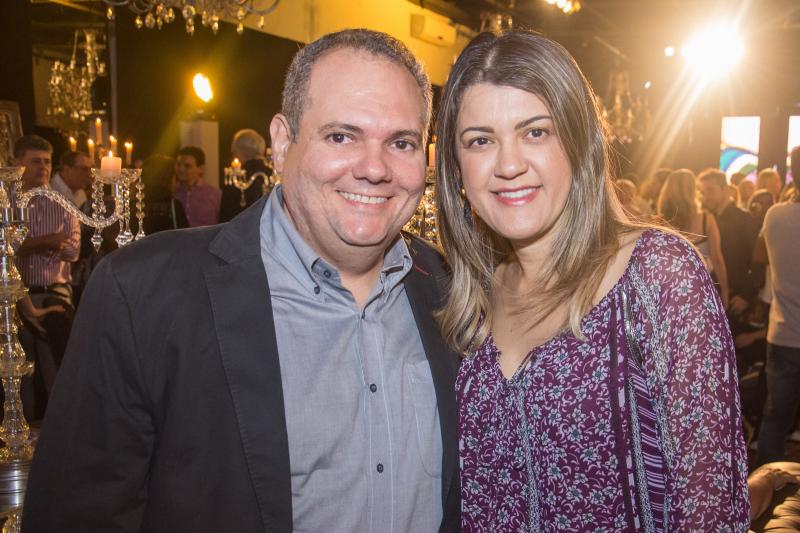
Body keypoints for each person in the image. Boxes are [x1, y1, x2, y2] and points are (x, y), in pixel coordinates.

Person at [22, 29, 460, 532]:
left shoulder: (453, 291)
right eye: (341, 136)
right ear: (282, 142)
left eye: (401, 143)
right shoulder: (143, 294)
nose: (375, 169)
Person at [434, 30, 749, 530]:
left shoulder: (658, 275)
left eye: (535, 132)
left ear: (579, 141)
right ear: (456, 168)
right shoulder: (469, 299)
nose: (509, 164)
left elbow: (711, 509)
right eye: (480, 141)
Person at [12, 135, 80, 418]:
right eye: (35, 161)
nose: (43, 167)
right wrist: (49, 241)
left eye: (47, 162)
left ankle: (60, 424)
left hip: (54, 291)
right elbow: (7, 249)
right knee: (20, 363)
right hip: (17, 294)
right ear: (18, 164)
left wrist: (28, 244)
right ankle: (24, 422)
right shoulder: (8, 205)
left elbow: (73, 250)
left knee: (56, 359)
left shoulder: (62, 203)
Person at [757, 149, 800, 465]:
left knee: (774, 417)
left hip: (783, 333)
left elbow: (760, 257)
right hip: (784, 335)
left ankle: (766, 481)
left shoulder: (775, 215)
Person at [656, 168, 729, 306]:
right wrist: (725, 291)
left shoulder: (658, 223)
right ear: (693, 191)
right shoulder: (706, 219)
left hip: (670, 290)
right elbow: (717, 258)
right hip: (701, 287)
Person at [699, 168, 759, 317]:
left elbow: (758, 261)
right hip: (710, 296)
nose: (706, 197)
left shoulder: (744, 218)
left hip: (735, 298)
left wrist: (745, 296)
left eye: (711, 190)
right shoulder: (705, 219)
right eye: (703, 192)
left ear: (725, 190)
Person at [219, 128, 274, 223]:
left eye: (234, 153)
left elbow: (226, 217)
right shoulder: (275, 174)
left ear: (240, 151)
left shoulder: (234, 178)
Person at [132, 154, 189, 235]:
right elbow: (185, 236)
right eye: (174, 177)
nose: (176, 182)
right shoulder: (174, 206)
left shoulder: (134, 205)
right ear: (167, 179)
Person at [173, 145, 221, 227]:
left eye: (187, 166)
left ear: (200, 169)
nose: (181, 169)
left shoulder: (214, 194)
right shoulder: (173, 193)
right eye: (178, 164)